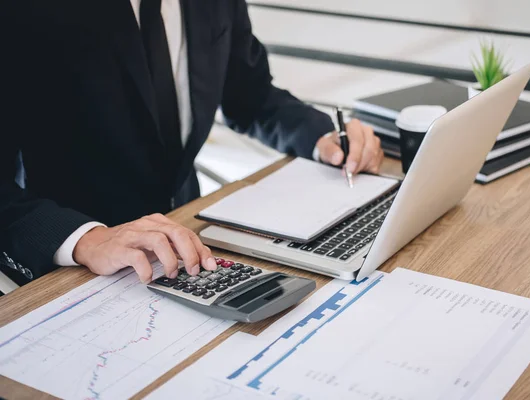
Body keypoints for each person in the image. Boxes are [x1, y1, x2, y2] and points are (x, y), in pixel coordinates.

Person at [0, 0, 384, 286]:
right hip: (76, 265)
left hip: (187, 236)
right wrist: (87, 239)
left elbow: (249, 96)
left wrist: (323, 137)